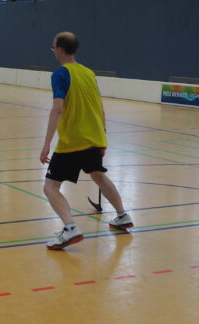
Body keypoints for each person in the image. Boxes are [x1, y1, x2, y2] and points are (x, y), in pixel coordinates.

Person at [40, 31, 133, 250]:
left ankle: (70, 229)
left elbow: (57, 109)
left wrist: (46, 144)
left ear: (60, 49)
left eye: (54, 48)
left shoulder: (61, 74)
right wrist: (102, 136)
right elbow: (100, 106)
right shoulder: (89, 73)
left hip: (73, 141)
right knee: (98, 175)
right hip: (94, 137)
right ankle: (122, 216)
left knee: (51, 187)